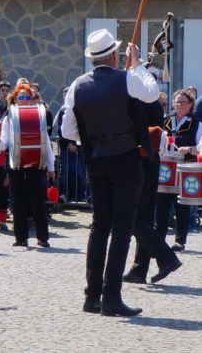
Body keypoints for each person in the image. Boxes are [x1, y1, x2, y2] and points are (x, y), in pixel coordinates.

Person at [61, 29, 159, 317]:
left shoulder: (78, 85)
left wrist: (95, 137)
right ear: (115, 56)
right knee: (121, 229)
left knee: (99, 227)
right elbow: (152, 94)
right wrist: (138, 64)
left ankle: (92, 297)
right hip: (126, 159)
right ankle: (112, 297)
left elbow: (67, 130)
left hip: (96, 161)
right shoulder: (126, 78)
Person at [124, 96, 183, 285]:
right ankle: (139, 269)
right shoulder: (153, 104)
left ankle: (166, 258)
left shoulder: (136, 103)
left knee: (132, 217)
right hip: (151, 160)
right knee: (145, 218)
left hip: (139, 162)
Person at [1, 84, 55, 248]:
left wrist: (51, 167)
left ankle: (42, 237)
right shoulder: (9, 118)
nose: (24, 100)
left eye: (27, 97)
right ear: (15, 100)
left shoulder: (39, 116)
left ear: (32, 100)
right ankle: (20, 237)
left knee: (39, 201)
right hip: (16, 163)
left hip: (36, 163)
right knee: (18, 201)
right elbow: (3, 145)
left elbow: (45, 143)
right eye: (20, 97)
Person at [157, 90, 200, 251]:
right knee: (161, 205)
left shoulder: (196, 123)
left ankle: (180, 240)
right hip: (166, 168)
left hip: (184, 169)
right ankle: (159, 238)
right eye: (177, 102)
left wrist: (189, 149)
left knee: (182, 205)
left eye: (184, 102)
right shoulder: (165, 121)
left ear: (190, 105)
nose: (180, 105)